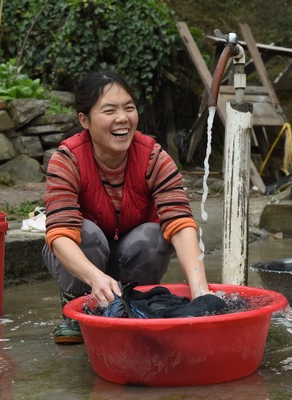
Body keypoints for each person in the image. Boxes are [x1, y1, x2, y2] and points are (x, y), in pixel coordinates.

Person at [42, 71, 212, 344]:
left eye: (129, 108)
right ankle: (77, 309)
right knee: (86, 233)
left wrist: (200, 290)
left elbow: (180, 223)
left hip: (131, 255)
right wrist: (95, 278)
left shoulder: (153, 157)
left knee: (154, 236)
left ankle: (135, 304)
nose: (122, 118)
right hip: (86, 262)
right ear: (84, 120)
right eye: (109, 110)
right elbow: (60, 233)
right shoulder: (67, 159)